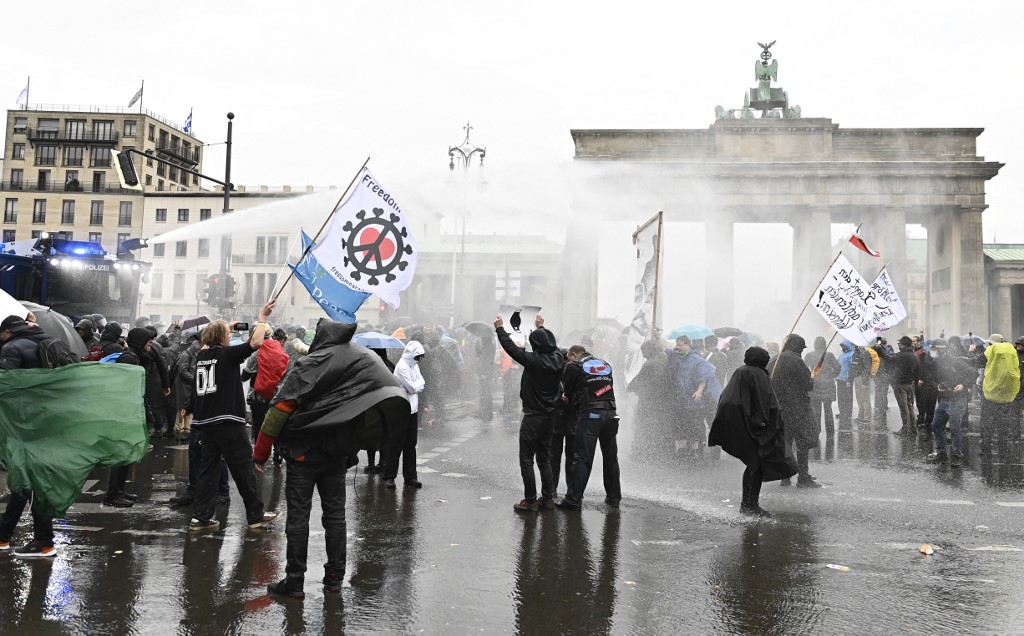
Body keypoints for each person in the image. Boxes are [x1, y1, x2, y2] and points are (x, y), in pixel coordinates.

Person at [253, 318, 409, 600]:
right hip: (337, 454)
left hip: (303, 454)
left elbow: (280, 409)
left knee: (298, 518)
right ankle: (335, 579)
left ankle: (294, 582)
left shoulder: (311, 364)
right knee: (335, 517)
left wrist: (261, 453)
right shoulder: (361, 361)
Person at [186, 300, 281, 533]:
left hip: (206, 423)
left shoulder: (202, 356)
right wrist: (262, 318)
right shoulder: (226, 355)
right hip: (228, 421)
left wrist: (223, 327)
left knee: (208, 471)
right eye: (227, 334)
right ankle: (256, 515)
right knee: (243, 468)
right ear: (221, 338)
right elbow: (256, 342)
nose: (230, 337)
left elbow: (209, 343)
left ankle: (201, 517)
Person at [708, 346, 798, 517]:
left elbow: (729, 398)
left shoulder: (740, 371)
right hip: (755, 426)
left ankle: (747, 504)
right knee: (756, 466)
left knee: (753, 464)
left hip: (740, 423)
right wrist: (766, 424)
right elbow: (765, 402)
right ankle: (751, 506)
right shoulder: (758, 375)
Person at [0, 315, 57, 558]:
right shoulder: (45, 341)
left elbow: (5, 384)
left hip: (23, 421)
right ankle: (4, 534)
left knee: (31, 479)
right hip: (46, 417)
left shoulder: (12, 347)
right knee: (26, 477)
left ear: (7, 331)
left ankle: (44, 540)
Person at [495, 313, 563, 513]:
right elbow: (551, 346)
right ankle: (548, 499)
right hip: (550, 416)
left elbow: (510, 347)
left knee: (526, 459)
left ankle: (531, 500)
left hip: (532, 416)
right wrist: (541, 327)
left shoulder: (533, 360)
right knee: (544, 458)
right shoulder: (559, 359)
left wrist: (500, 328)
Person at [104, 327, 168, 507]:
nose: (151, 343)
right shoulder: (130, 358)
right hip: (125, 412)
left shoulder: (138, 356)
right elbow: (125, 387)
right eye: (148, 340)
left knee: (127, 453)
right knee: (121, 453)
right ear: (140, 341)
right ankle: (112, 495)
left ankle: (119, 491)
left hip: (130, 410)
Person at [557, 344, 621, 510]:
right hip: (611, 414)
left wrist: (567, 398)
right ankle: (614, 498)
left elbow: (568, 393)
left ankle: (573, 500)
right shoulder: (605, 364)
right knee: (611, 458)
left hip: (591, 415)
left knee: (582, 458)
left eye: (568, 358)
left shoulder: (573, 365)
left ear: (573, 354)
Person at [769, 334, 821, 488]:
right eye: (801, 348)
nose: (801, 351)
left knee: (786, 442)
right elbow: (807, 385)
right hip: (797, 408)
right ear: (796, 346)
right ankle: (803, 477)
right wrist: (812, 378)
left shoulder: (774, 360)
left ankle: (785, 477)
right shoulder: (796, 360)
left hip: (779, 408)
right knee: (802, 442)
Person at [924, 338, 977, 467]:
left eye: (934, 349)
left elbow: (974, 373)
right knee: (936, 424)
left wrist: (963, 385)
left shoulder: (955, 361)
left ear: (942, 350)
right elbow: (930, 377)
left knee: (954, 427)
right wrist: (938, 386)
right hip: (945, 399)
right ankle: (941, 454)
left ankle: (956, 456)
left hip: (958, 399)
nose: (932, 352)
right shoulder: (934, 363)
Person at [384, 340, 425, 489]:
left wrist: (417, 385)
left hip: (412, 409)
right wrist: (417, 385)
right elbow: (413, 388)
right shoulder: (402, 367)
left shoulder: (414, 365)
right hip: (401, 409)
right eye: (417, 357)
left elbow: (421, 382)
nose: (419, 360)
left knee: (410, 445)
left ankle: (410, 476)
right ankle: (389, 476)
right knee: (396, 444)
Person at [979, 334, 1022, 465]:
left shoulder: (990, 351)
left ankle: (986, 451)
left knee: (987, 424)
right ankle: (1003, 451)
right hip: (1006, 396)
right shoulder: (1011, 352)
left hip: (991, 395)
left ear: (992, 343)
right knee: (1003, 424)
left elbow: (976, 362)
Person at [803, 336, 840, 455]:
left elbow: (804, 368)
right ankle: (830, 432)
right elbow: (838, 367)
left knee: (816, 410)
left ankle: (816, 431)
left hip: (815, 385)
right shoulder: (829, 355)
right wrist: (831, 376)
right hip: (828, 385)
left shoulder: (809, 355)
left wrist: (810, 378)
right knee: (828, 410)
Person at [891, 335, 921, 436]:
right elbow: (917, 371)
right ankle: (913, 428)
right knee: (909, 406)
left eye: (900, 343)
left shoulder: (901, 355)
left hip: (900, 384)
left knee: (903, 407)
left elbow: (889, 359)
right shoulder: (913, 355)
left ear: (904, 345)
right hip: (909, 383)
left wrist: (880, 350)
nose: (898, 344)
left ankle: (905, 429)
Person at [835, 340, 856, 430]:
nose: (843, 347)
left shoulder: (852, 354)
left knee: (848, 397)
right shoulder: (841, 354)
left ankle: (848, 414)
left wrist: (850, 379)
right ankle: (842, 412)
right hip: (839, 378)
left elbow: (852, 368)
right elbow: (837, 364)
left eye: (844, 346)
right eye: (842, 346)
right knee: (840, 396)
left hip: (847, 379)